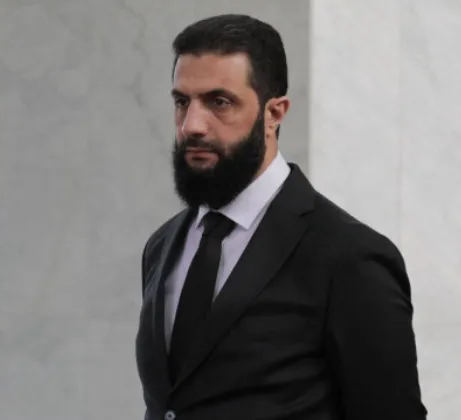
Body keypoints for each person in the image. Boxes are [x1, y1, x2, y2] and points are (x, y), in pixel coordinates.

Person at [135, 13, 428, 420]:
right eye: (182, 102)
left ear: (274, 113)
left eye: (219, 102)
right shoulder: (162, 246)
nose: (191, 125)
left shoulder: (350, 258)